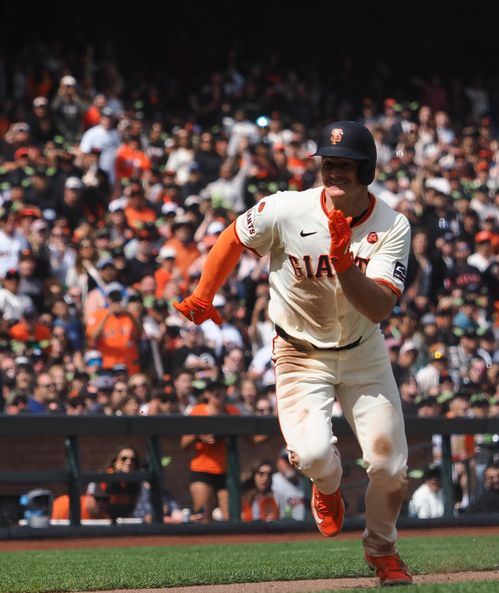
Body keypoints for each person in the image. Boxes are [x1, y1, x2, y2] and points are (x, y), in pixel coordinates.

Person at [174, 120, 413, 586]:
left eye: (345, 166)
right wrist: (205, 293)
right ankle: (327, 488)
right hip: (300, 352)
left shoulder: (392, 224)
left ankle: (382, 550)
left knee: (389, 466)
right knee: (312, 456)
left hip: (364, 351)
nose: (333, 173)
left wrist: (345, 266)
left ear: (367, 169)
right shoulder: (287, 209)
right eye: (328, 165)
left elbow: (380, 304)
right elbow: (233, 236)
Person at [180, 380, 242, 523]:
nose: (218, 392)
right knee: (203, 517)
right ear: (207, 393)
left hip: (226, 470)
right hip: (202, 468)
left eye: (221, 388)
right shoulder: (198, 411)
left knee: (231, 517)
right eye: (214, 389)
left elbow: (251, 439)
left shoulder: (232, 411)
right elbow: (184, 444)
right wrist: (199, 436)